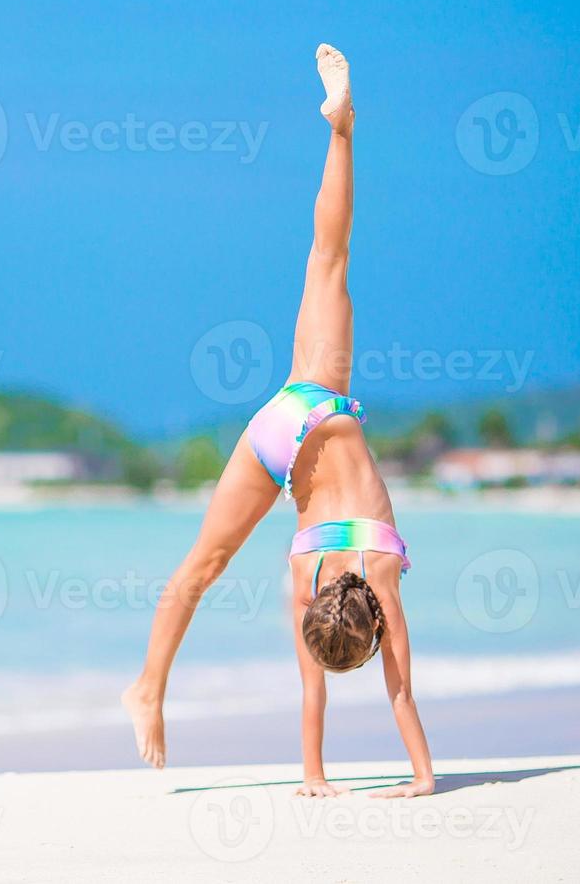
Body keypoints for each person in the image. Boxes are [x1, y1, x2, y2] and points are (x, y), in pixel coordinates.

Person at [121, 45, 435, 798]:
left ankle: (343, 130)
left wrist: (424, 778)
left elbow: (400, 694)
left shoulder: (377, 576)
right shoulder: (306, 581)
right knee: (206, 564)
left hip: (309, 403)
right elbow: (335, 688)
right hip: (283, 444)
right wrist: (316, 778)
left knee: (330, 257)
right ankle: (147, 692)